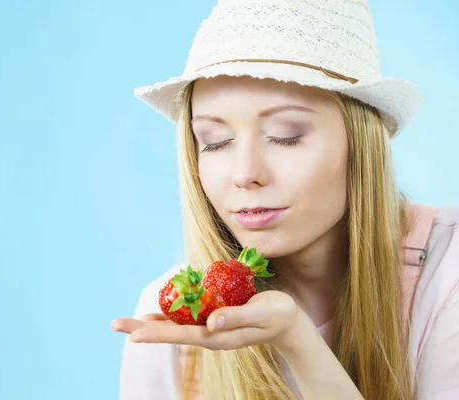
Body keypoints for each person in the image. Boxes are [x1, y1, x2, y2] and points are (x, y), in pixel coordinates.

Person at [110, 0, 459, 399]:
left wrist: (299, 342)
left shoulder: (448, 270)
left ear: (360, 144)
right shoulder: (176, 325)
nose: (245, 173)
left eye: (286, 135)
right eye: (215, 141)